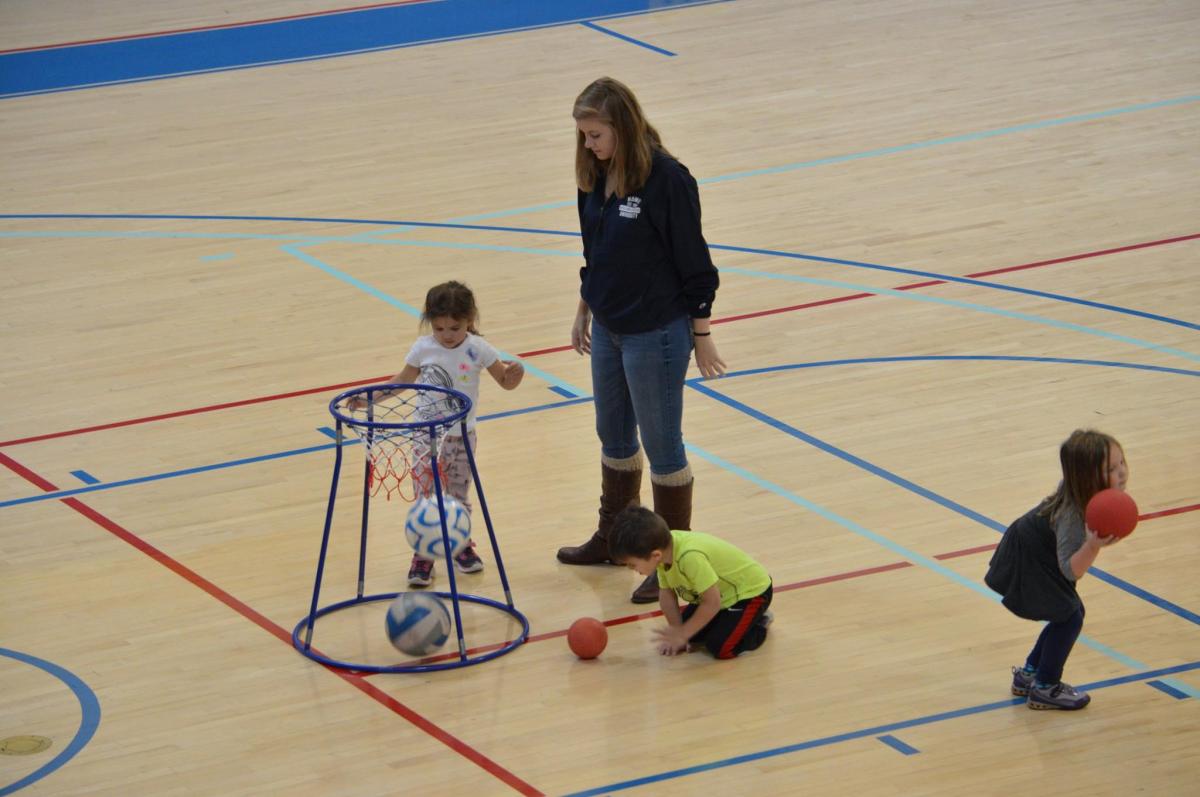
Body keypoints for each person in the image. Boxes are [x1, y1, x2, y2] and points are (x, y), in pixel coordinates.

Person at [556, 76, 727, 604]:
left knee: (663, 445)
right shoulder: (595, 176)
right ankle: (614, 538)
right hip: (609, 327)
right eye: (583, 135)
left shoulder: (668, 179)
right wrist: (586, 305)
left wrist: (701, 334)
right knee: (613, 435)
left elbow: (694, 261)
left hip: (657, 332)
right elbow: (596, 252)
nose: (589, 145)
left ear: (623, 127)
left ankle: (669, 561)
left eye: (596, 134)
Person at [363, 280, 524, 588]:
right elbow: (401, 382)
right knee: (426, 496)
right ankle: (423, 554)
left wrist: (514, 376)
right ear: (429, 324)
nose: (447, 336)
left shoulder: (479, 349)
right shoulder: (423, 348)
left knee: (458, 496)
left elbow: (505, 381)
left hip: (461, 437)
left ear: (470, 320)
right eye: (439, 328)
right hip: (425, 438)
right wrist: (370, 400)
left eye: (454, 327)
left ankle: (460, 545)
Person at [985, 429, 1127, 710]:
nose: (1122, 472)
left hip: (1036, 552)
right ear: (1087, 477)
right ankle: (1045, 687)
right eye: (1111, 468)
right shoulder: (1074, 516)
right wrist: (1093, 546)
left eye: (1122, 462)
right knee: (1070, 618)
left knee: (1070, 612)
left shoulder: (1082, 490)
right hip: (1030, 561)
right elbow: (1071, 570)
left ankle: (1029, 675)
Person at [609, 506, 772, 658]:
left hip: (750, 594)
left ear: (655, 555)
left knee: (720, 648)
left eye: (632, 564)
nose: (631, 569)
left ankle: (759, 622)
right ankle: (732, 621)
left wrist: (682, 634)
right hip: (718, 596)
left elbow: (712, 603)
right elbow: (667, 595)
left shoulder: (690, 557)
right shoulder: (663, 552)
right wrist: (677, 632)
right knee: (691, 632)